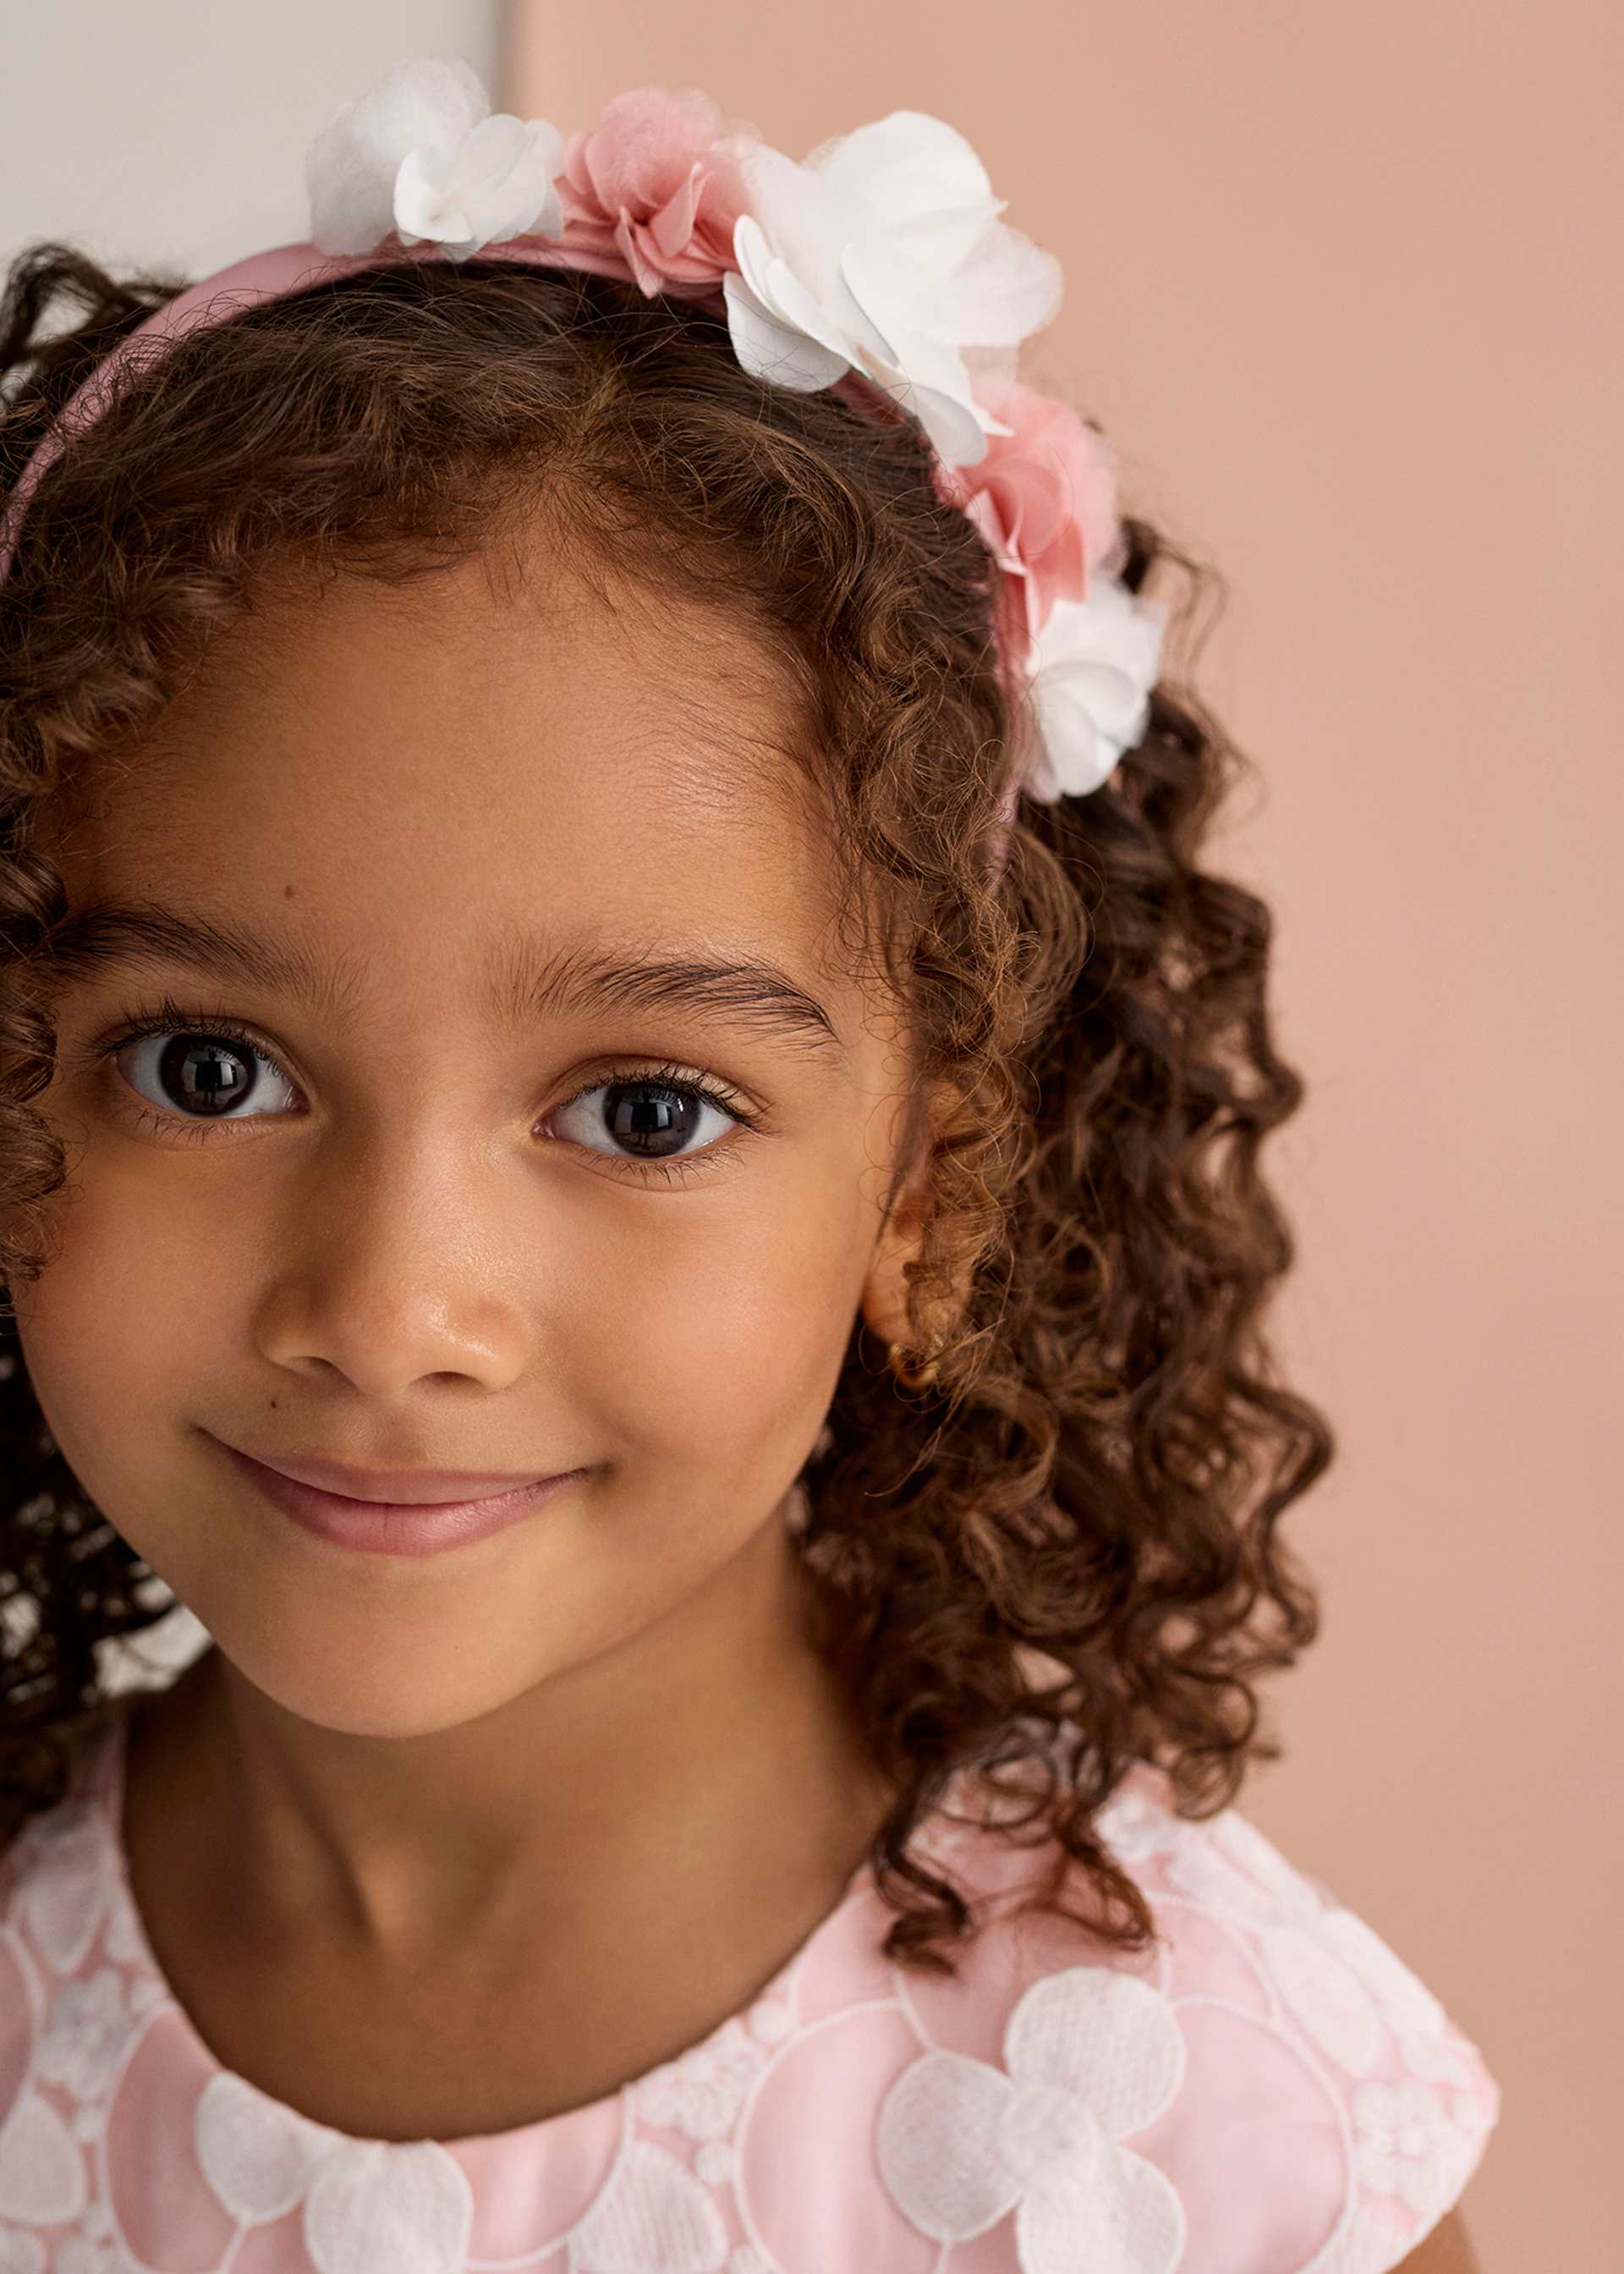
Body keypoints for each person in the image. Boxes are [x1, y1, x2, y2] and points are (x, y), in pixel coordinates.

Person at [0, 53, 1497, 2274]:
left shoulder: (1178, 2127)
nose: (395, 1309)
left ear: (927, 1185)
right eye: (209, 1069)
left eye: (644, 1111)